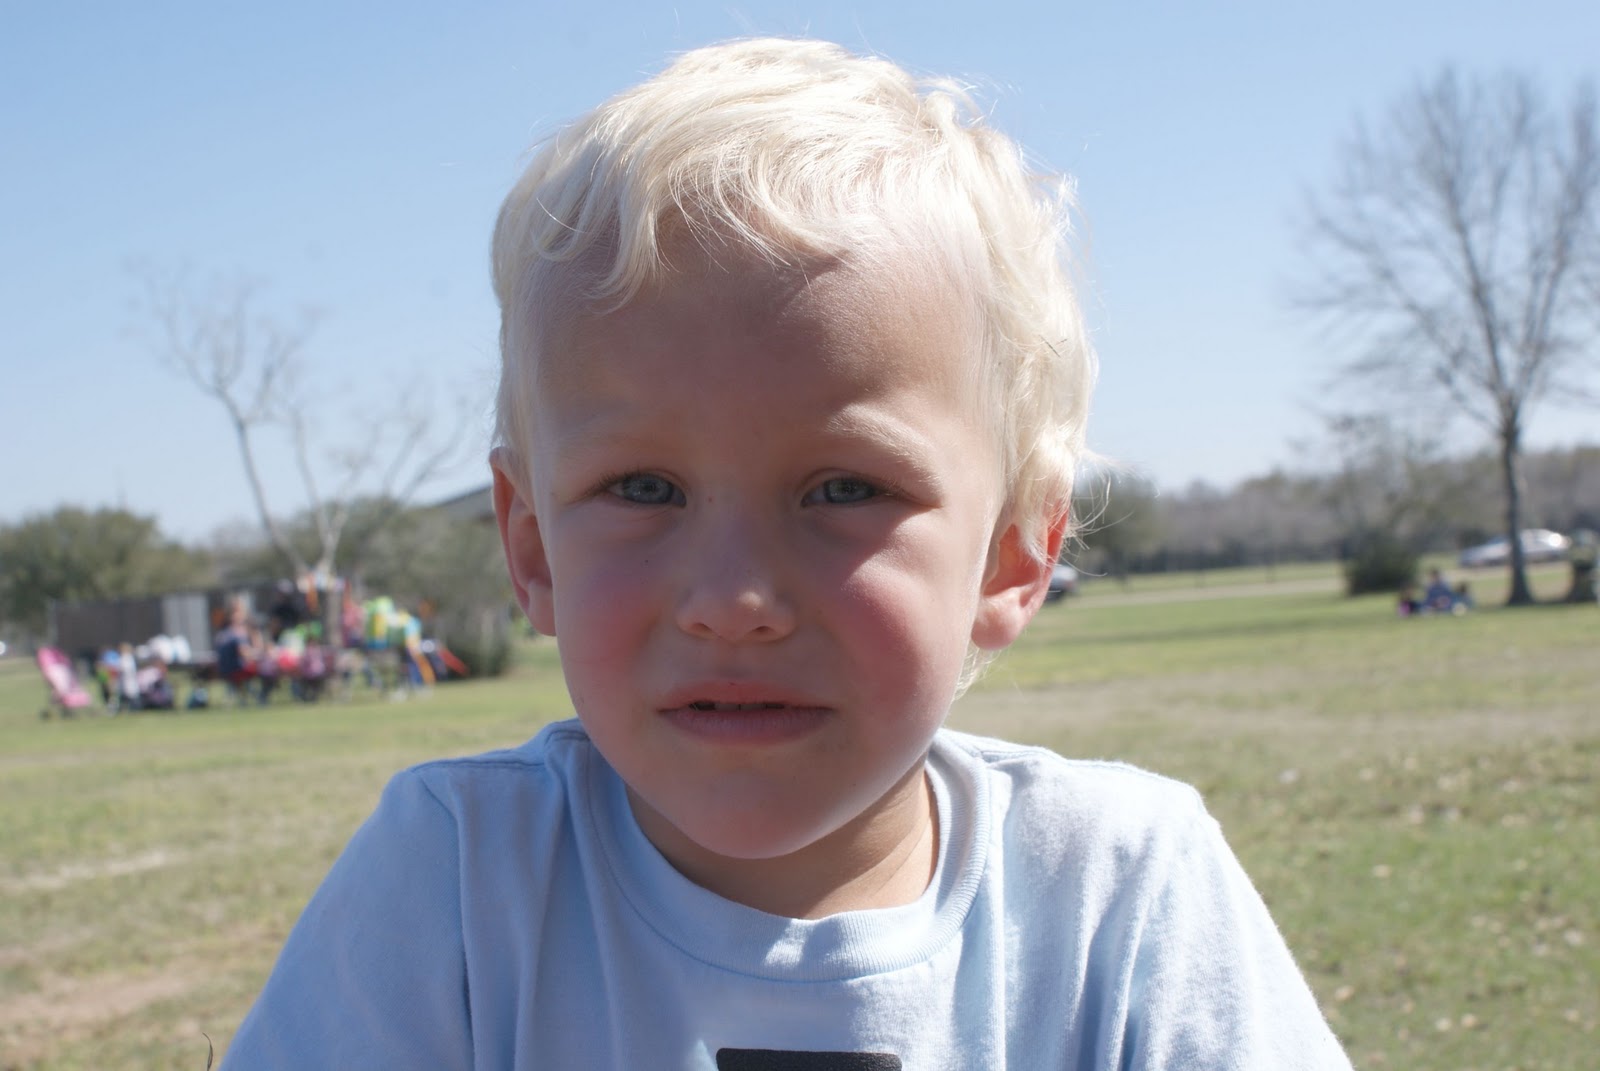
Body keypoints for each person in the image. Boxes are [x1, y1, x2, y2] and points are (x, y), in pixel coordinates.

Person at [228, 39, 1351, 1068]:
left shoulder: (1118, 891)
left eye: (845, 489)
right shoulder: (459, 885)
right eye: (641, 489)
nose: (733, 601)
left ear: (1014, 551)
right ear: (531, 548)